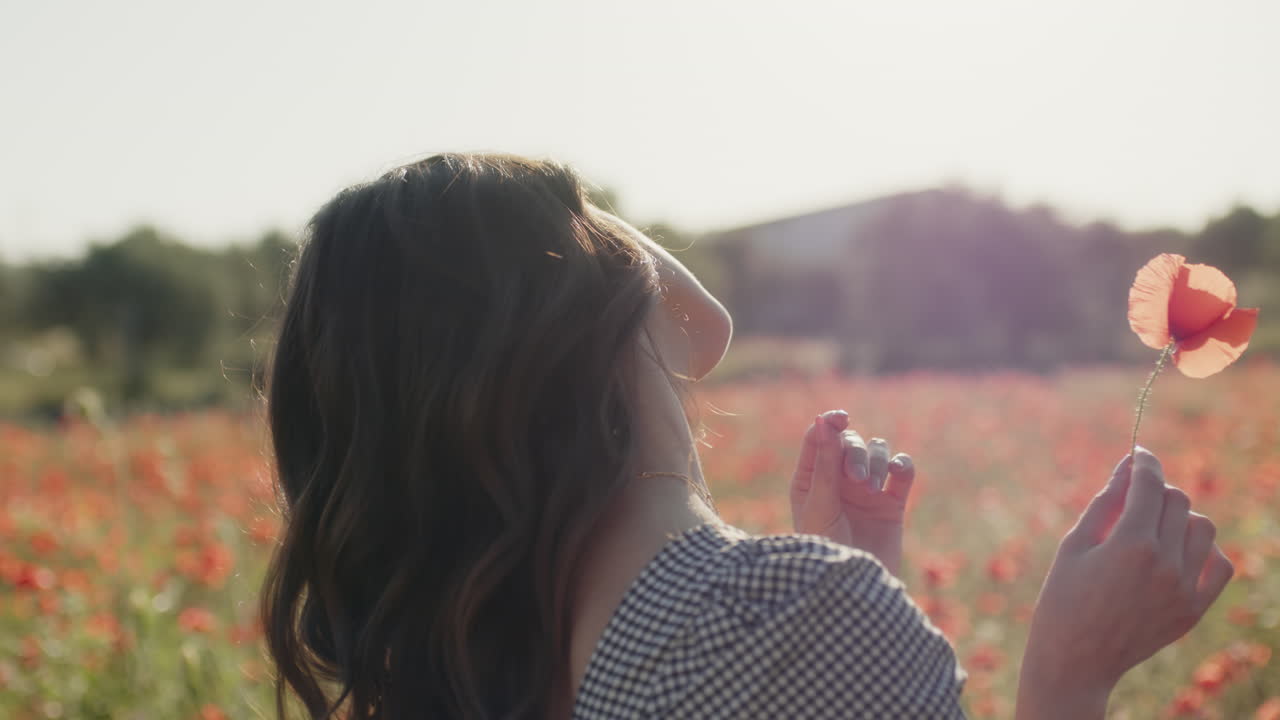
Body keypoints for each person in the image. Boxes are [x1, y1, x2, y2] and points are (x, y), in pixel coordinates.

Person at [261, 152, 1235, 719]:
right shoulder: (782, 618)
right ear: (586, 315)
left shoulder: (508, 668)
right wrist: (1071, 671)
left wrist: (864, 590)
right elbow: (708, 325)